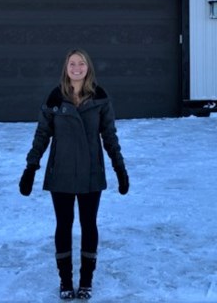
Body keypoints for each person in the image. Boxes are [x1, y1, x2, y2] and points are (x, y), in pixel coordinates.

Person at [19, 49, 130, 300]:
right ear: (66, 68)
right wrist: (30, 167)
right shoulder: (55, 99)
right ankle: (66, 281)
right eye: (72, 63)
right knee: (64, 226)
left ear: (88, 67)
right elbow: (42, 135)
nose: (77, 68)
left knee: (89, 225)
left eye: (81, 63)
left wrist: (119, 168)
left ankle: (87, 281)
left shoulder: (100, 98)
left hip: (91, 174)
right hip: (61, 174)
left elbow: (110, 137)